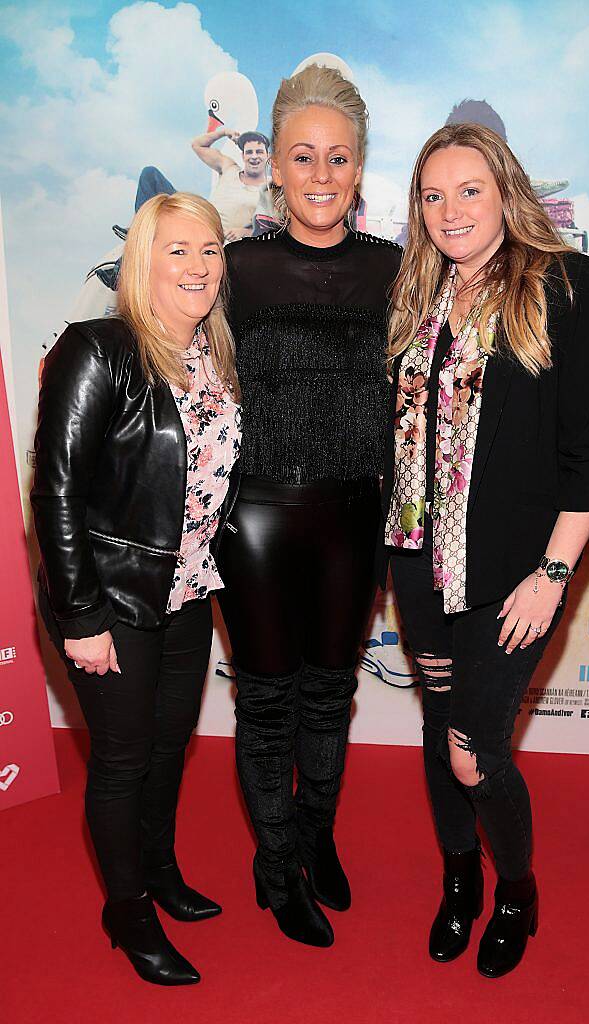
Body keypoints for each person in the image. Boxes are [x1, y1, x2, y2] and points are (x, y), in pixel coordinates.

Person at [382, 124, 589, 978]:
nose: (450, 210)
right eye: (432, 195)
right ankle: (459, 882)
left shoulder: (565, 282)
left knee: (472, 749)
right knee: (438, 723)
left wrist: (553, 574)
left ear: (505, 191)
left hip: (511, 572)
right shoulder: (417, 296)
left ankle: (513, 888)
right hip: (417, 560)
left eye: (469, 190)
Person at [32, 192, 241, 985]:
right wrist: (79, 613)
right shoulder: (100, 348)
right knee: (122, 760)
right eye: (177, 250)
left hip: (186, 592)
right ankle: (125, 912)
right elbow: (55, 491)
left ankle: (157, 874)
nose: (197, 267)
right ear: (142, 261)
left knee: (166, 750)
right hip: (109, 599)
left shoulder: (218, 356)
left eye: (210, 250)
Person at [214, 65, 401, 947]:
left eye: (337, 158)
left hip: (354, 515)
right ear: (274, 171)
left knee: (331, 696)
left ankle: (317, 838)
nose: (321, 175)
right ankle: (274, 863)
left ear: (358, 168)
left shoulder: (395, 271)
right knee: (268, 700)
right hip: (254, 517)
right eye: (303, 156)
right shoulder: (237, 269)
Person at [191, 127, 273, 240]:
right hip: (199, 230)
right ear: (243, 156)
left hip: (225, 245)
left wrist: (247, 232)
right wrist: (223, 132)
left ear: (268, 156)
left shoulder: (271, 187)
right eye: (249, 152)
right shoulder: (229, 168)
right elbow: (197, 145)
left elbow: (276, 230)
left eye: (259, 152)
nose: (254, 156)